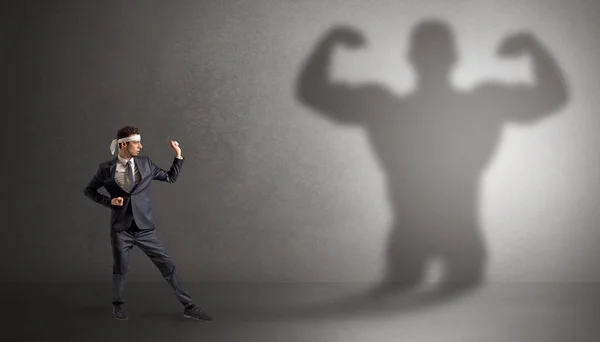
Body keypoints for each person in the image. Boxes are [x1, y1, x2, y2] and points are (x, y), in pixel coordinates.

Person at [83, 125, 212, 321]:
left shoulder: (146, 164)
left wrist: (178, 155)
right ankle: (117, 305)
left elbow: (170, 177)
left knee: (167, 266)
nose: (141, 146)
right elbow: (89, 191)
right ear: (124, 144)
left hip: (145, 229)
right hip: (121, 229)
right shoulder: (105, 169)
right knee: (120, 268)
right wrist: (109, 201)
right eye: (137, 143)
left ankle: (189, 306)